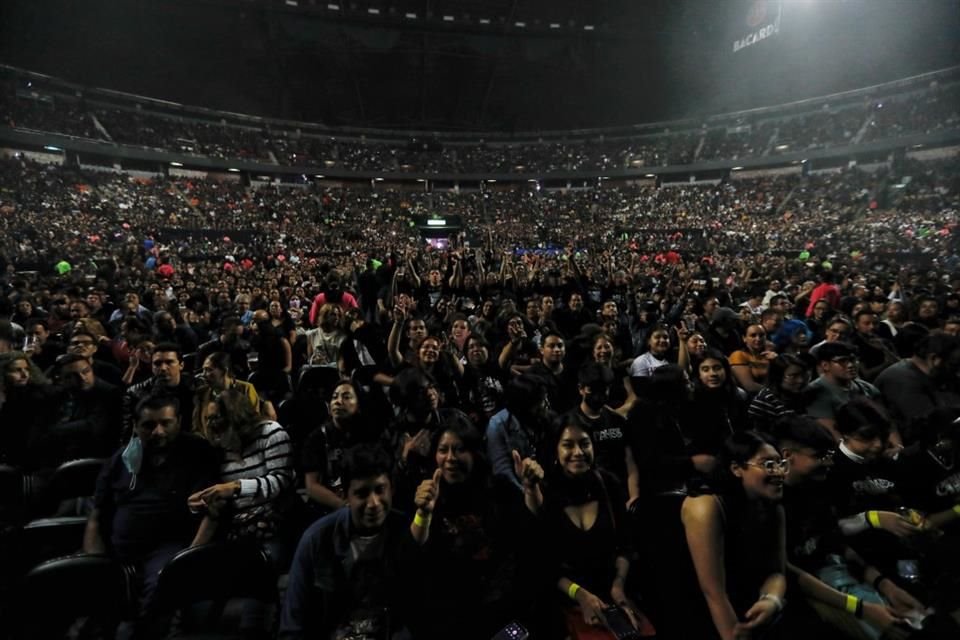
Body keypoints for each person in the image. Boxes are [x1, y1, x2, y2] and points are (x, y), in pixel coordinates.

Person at [777, 414, 927, 639]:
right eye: (819, 456)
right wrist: (862, 609)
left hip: (838, 576)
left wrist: (887, 587)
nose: (828, 462)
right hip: (803, 594)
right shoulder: (769, 503)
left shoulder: (817, 489)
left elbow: (836, 544)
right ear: (787, 456)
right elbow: (788, 572)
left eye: (829, 455)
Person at [83, 393, 219, 637]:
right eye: (149, 425)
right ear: (135, 426)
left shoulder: (198, 451)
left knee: (160, 588)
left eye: (165, 423)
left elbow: (213, 512)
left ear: (178, 421)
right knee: (96, 601)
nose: (158, 431)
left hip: (171, 545)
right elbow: (97, 514)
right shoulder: (123, 458)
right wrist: (95, 561)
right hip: (121, 549)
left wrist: (188, 558)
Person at [521, 415, 655, 639]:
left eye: (584, 443)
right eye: (567, 445)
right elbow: (544, 565)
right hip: (566, 603)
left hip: (613, 596)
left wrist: (619, 586)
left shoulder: (608, 484)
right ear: (556, 450)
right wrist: (580, 595)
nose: (578, 452)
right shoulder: (546, 492)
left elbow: (625, 545)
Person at [279, 444, 418, 640]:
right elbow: (293, 624)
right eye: (362, 494)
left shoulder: (405, 531)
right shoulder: (317, 540)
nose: (374, 503)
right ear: (345, 495)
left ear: (391, 489)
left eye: (380, 490)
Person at [406, 421, 528, 639]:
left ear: (475, 453)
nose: (450, 458)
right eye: (443, 450)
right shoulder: (426, 492)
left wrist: (532, 489)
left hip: (500, 608)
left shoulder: (499, 489)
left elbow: (527, 537)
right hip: (449, 614)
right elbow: (412, 553)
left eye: (459, 449)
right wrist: (423, 513)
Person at [680, 431, 788, 640]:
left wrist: (771, 600)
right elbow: (714, 592)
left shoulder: (773, 508)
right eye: (767, 464)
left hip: (745, 603)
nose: (778, 472)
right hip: (697, 608)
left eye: (780, 463)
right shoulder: (706, 506)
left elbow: (777, 572)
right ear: (736, 469)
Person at [189, 388, 296, 568]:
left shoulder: (270, 433)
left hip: (275, 525)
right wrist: (198, 504)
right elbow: (215, 507)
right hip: (236, 529)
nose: (210, 425)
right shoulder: (217, 450)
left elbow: (281, 481)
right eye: (207, 419)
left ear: (236, 416)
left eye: (216, 418)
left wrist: (237, 487)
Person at [804, 341, 883, 438]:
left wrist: (897, 446)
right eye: (842, 361)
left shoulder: (868, 388)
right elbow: (832, 433)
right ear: (825, 365)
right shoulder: (815, 392)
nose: (850, 365)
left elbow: (886, 421)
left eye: (853, 359)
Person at [192, 351, 263, 437]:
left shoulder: (246, 389)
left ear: (225, 371)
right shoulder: (202, 393)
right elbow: (196, 427)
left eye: (209, 370)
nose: (204, 374)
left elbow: (254, 422)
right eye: (203, 370)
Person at [748, 353, 812, 434]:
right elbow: (760, 434)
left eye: (802, 375)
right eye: (793, 376)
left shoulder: (802, 394)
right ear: (778, 376)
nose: (801, 380)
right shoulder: (765, 399)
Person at [729, 323, 776, 394]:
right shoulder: (738, 355)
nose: (758, 339)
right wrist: (775, 393)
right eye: (753, 335)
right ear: (744, 338)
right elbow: (749, 386)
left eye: (761, 335)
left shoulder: (769, 355)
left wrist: (774, 362)